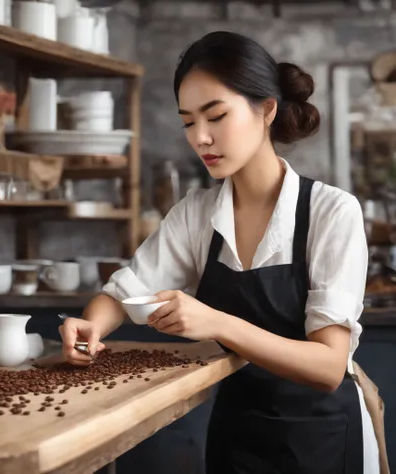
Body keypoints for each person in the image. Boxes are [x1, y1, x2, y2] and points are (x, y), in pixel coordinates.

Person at [59, 31, 379, 474]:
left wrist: (215, 322)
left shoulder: (330, 211)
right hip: (236, 436)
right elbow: (125, 290)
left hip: (323, 439)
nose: (201, 138)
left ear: (267, 109)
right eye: (188, 122)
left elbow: (328, 366)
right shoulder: (196, 214)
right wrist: (90, 324)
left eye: (216, 116)